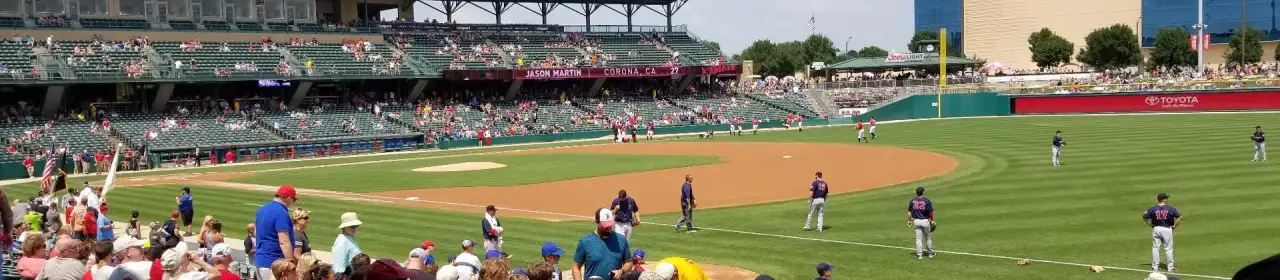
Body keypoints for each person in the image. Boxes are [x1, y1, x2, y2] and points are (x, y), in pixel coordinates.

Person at [573, 208, 632, 280]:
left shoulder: (621, 240)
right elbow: (576, 267)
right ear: (596, 221)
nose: (608, 227)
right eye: (605, 225)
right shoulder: (585, 242)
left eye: (610, 224)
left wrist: (621, 271)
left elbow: (629, 263)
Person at [255, 185, 300, 280]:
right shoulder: (281, 213)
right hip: (274, 264)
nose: (293, 203)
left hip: (260, 261)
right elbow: (284, 242)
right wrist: (290, 263)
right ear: (288, 198)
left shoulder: (262, 209)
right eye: (293, 200)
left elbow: (256, 232)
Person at [1143, 193, 1181, 272]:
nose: (1167, 199)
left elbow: (1145, 217)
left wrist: (1150, 225)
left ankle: (1155, 267)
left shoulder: (1152, 208)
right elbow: (1179, 217)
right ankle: (1170, 267)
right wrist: (1174, 226)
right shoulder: (1170, 208)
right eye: (1166, 198)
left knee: (1155, 248)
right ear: (1164, 199)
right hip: (1167, 229)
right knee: (1168, 248)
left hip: (1156, 229)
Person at [907, 187, 935, 259]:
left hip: (916, 221)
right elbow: (930, 212)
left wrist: (909, 221)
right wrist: (932, 220)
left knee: (918, 239)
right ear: (923, 192)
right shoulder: (927, 200)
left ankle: (919, 255)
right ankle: (930, 253)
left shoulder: (912, 201)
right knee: (928, 238)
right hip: (925, 221)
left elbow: (909, 212)